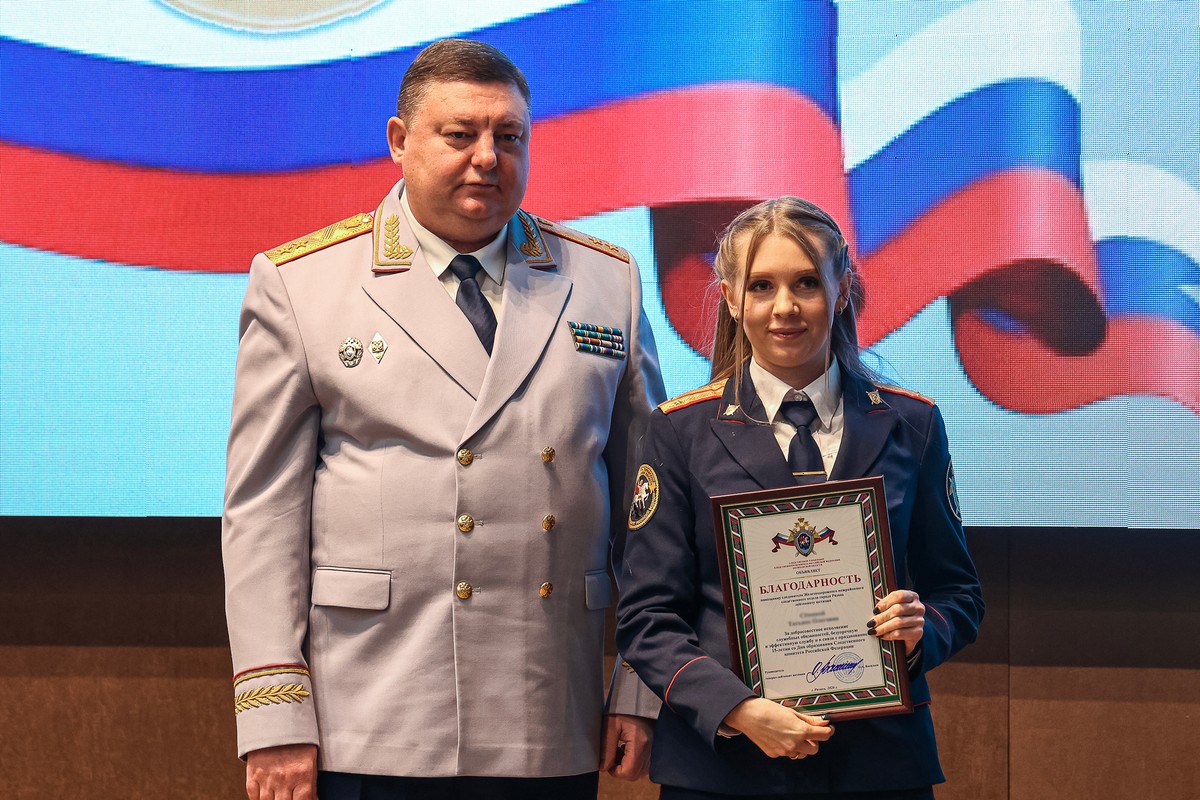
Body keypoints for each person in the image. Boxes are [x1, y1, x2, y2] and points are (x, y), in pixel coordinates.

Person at [222, 38, 664, 800]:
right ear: (400, 141)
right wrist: (275, 713)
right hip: (372, 711)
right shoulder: (303, 284)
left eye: (509, 136)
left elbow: (650, 511)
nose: (487, 158)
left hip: (545, 708)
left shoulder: (604, 282)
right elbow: (263, 514)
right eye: (460, 134)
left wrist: (639, 680)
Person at [614, 197, 984, 799]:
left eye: (807, 283)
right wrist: (737, 710)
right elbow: (647, 619)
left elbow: (958, 595)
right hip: (725, 772)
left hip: (878, 768)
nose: (784, 307)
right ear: (731, 299)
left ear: (841, 292)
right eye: (761, 286)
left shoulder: (912, 424)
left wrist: (923, 631)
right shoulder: (678, 431)